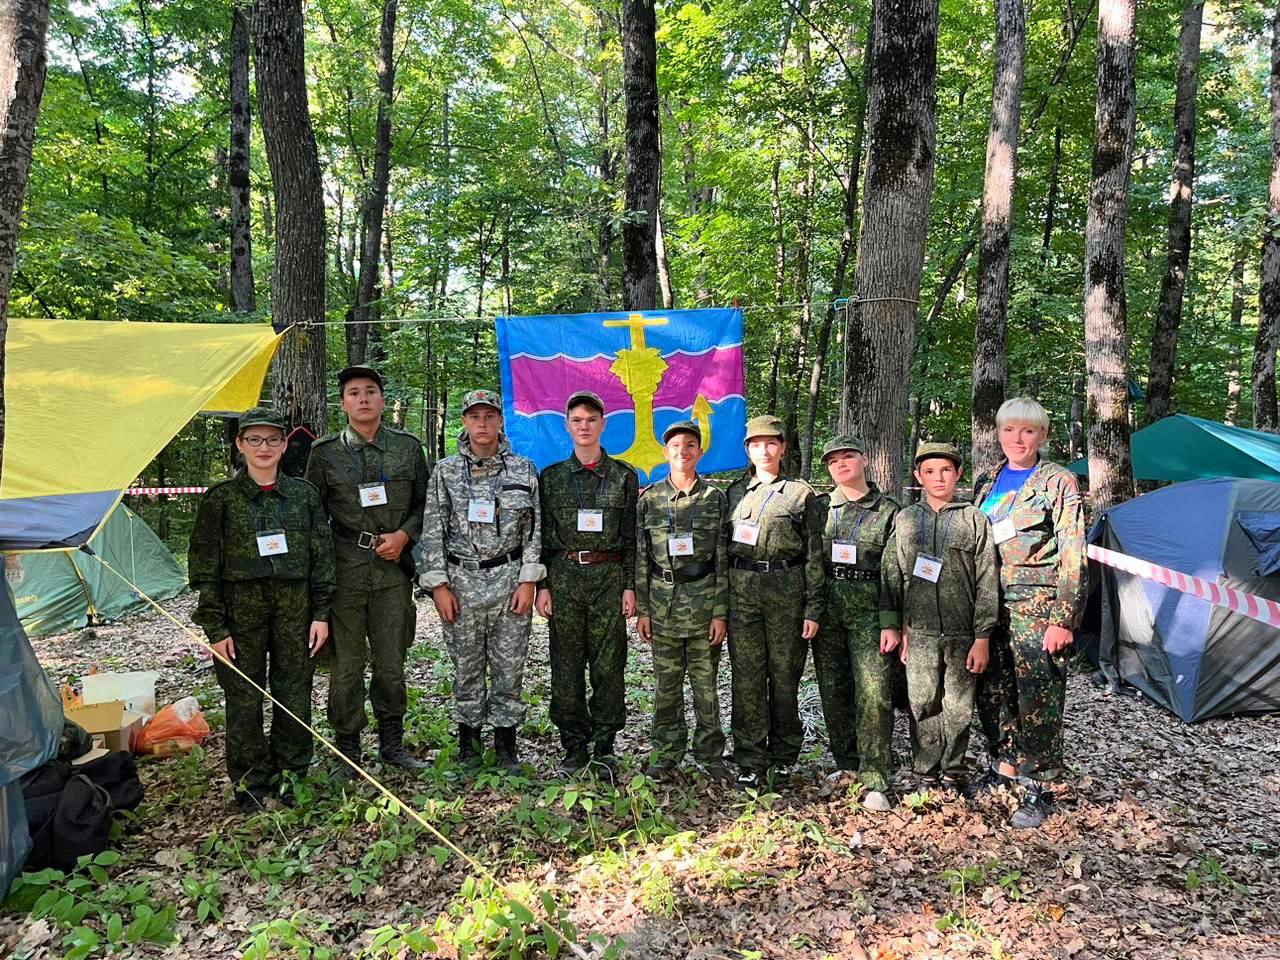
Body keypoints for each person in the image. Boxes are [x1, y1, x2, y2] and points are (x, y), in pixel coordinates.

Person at [188, 406, 336, 809]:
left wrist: (321, 614)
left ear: (286, 444)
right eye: (254, 439)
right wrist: (216, 628)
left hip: (296, 612)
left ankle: (291, 776)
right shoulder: (221, 500)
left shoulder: (304, 496)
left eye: (273, 439)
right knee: (243, 697)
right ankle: (251, 782)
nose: (264, 447)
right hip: (240, 615)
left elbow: (322, 558)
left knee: (294, 692)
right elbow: (203, 569)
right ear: (240, 445)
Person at [304, 365, 430, 775]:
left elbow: (425, 506)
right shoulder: (325, 454)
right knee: (347, 667)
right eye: (354, 392)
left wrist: (405, 537)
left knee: (392, 664)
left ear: (381, 399)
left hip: (393, 573)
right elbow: (312, 519)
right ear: (342, 403)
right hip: (346, 574)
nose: (363, 398)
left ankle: (392, 745)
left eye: (370, 391)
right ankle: (348, 748)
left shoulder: (408, 448)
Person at [971, 397, 1087, 829]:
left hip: (1036, 606)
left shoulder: (1057, 481)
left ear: (1041, 435)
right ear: (998, 434)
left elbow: (1074, 550)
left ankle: (1038, 784)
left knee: (1036, 696)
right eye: (1008, 430)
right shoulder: (987, 479)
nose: (1017, 439)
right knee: (992, 689)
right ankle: (1003, 766)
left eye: (1027, 431)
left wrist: (1063, 617)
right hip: (988, 602)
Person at [419, 389, 544, 772]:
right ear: (465, 422)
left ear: (500, 420)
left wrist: (528, 581)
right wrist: (438, 585)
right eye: (475, 417)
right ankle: (469, 745)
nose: (483, 424)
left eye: (489, 416)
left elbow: (534, 531)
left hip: (509, 581)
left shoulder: (523, 470)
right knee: (466, 667)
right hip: (460, 582)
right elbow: (432, 529)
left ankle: (506, 745)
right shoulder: (446, 471)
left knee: (510, 667)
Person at [882, 442, 998, 794]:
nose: (938, 477)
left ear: (958, 474)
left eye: (945, 470)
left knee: (959, 706)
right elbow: (894, 573)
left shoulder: (974, 519)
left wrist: (983, 636)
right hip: (919, 633)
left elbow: (987, 577)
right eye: (929, 471)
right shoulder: (906, 519)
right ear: (918, 476)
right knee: (922, 702)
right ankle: (925, 772)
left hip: (963, 632)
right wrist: (897, 626)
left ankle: (953, 770)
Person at [535, 390, 638, 775]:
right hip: (564, 579)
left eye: (591, 420)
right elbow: (543, 536)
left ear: (603, 425)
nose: (584, 427)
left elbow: (630, 537)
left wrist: (631, 585)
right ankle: (573, 744)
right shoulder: (552, 477)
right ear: (567, 426)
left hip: (609, 579)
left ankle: (605, 743)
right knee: (565, 663)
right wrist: (543, 585)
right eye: (577, 420)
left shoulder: (624, 477)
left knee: (610, 665)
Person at [725, 414, 824, 790]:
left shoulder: (801, 494)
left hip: (787, 590)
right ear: (747, 449)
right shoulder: (735, 493)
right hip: (742, 592)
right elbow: (721, 550)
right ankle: (749, 756)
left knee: (784, 678)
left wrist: (813, 607)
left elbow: (814, 554)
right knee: (747, 677)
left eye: (771, 443)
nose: (763, 450)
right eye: (755, 444)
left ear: (782, 447)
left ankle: (783, 755)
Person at [635, 420, 731, 780]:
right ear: (665, 452)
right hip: (662, 604)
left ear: (700, 453)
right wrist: (643, 609)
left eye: (690, 445)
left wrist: (720, 613)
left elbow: (722, 557)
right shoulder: (651, 499)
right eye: (675, 446)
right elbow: (642, 558)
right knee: (667, 685)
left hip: (704, 602)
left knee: (706, 686)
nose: (682, 451)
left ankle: (710, 754)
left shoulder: (714, 499)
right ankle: (665, 752)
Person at [814, 435, 900, 812]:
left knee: (874, 692)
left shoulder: (890, 511)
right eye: (834, 461)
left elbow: (895, 573)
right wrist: (811, 611)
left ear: (864, 460)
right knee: (834, 688)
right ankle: (846, 762)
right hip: (829, 606)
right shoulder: (819, 508)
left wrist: (891, 621)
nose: (841, 465)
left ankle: (876, 774)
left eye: (848, 457)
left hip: (870, 607)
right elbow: (811, 564)